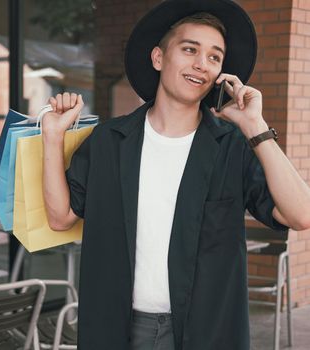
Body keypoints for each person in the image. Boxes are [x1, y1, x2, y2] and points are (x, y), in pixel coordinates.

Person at [41, 0, 310, 349]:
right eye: (189, 49)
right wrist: (52, 137)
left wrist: (255, 126)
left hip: (206, 333)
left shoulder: (231, 146)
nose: (202, 64)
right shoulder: (110, 141)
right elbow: (61, 217)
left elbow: (300, 214)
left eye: (215, 57)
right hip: (117, 328)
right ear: (158, 58)